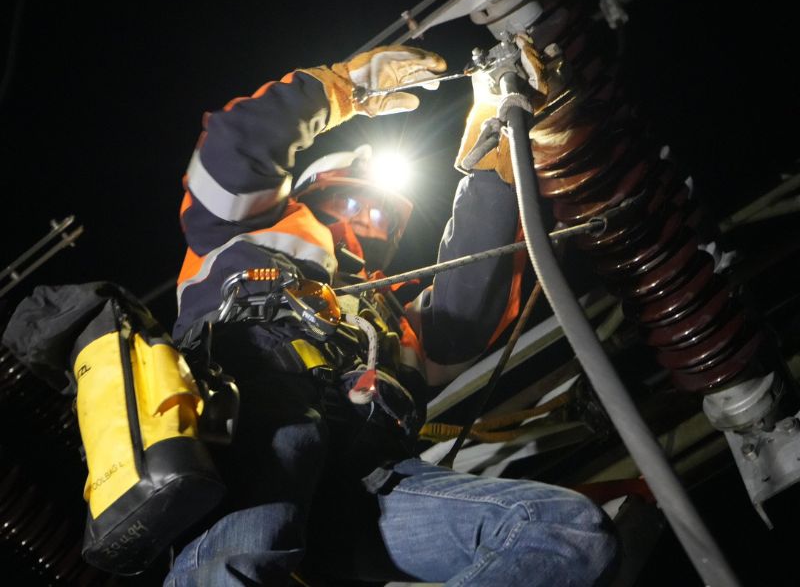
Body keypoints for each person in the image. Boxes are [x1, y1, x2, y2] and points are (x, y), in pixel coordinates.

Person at [165, 42, 618, 586]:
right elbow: (237, 146)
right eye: (351, 203)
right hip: (254, 437)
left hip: (362, 493)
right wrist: (346, 87)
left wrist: (494, 161)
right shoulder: (241, 235)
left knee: (564, 532)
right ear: (308, 195)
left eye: (381, 214)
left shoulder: (381, 321)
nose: (368, 221)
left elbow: (467, 310)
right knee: (238, 568)